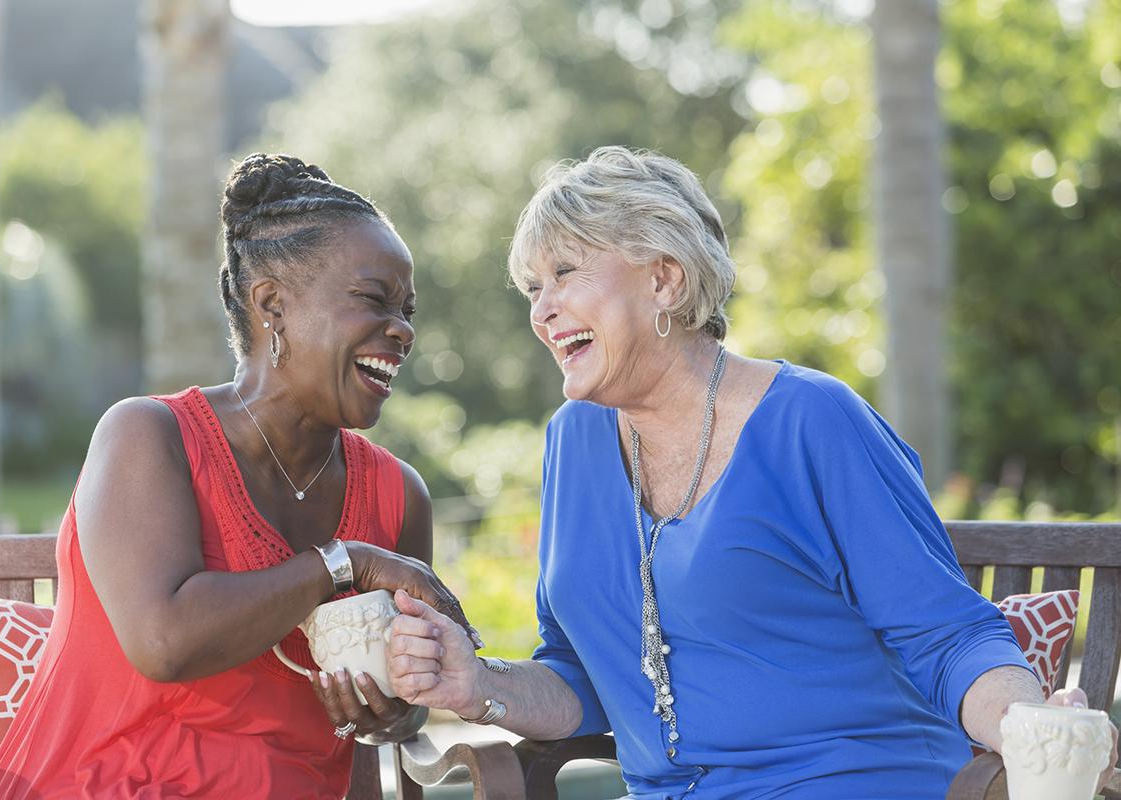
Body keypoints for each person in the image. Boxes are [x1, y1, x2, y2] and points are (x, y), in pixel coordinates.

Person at [384, 146, 1118, 799]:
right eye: (533, 290)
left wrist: (1027, 724)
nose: (543, 312)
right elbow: (578, 675)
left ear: (665, 279)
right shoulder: (573, 442)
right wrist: (477, 685)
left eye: (564, 273)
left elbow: (948, 636)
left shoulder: (813, 421)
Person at [0, 153, 477, 800]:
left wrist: (394, 706)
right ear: (271, 303)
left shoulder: (396, 495)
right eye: (373, 300)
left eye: (408, 310)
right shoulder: (149, 436)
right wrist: (343, 562)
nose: (403, 329)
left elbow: (410, 696)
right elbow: (165, 641)